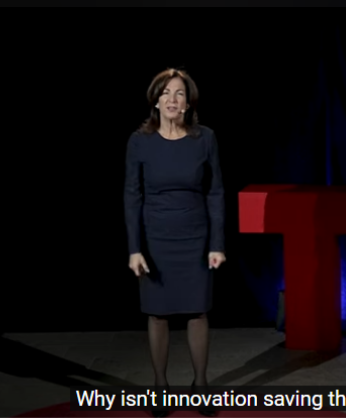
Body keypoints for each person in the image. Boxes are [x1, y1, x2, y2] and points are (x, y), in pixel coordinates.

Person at [124, 68, 225, 417]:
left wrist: (217, 243)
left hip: (195, 236)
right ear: (155, 100)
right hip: (155, 238)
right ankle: (160, 386)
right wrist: (134, 249)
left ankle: (201, 384)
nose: (172, 99)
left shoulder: (205, 138)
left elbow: (215, 192)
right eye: (165, 93)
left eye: (179, 93)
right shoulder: (139, 141)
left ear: (188, 103)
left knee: (198, 311)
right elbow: (131, 196)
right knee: (157, 313)